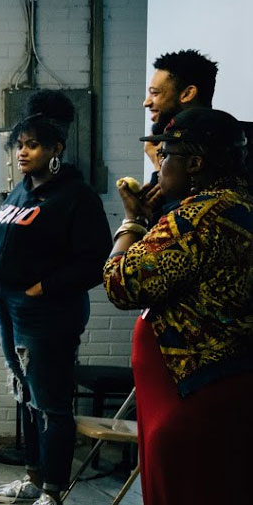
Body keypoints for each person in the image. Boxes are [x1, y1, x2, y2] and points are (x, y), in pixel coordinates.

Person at [104, 108, 253, 505]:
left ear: (195, 163)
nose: (160, 163)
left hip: (191, 392)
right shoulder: (239, 205)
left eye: (166, 155)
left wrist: (132, 223)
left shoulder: (195, 217)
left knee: (184, 489)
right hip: (228, 383)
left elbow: (121, 284)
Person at [0, 91, 111, 505]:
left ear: (56, 148)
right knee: (27, 397)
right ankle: (33, 479)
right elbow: (4, 238)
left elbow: (95, 262)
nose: (22, 153)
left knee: (51, 403)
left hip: (46, 312)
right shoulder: (22, 191)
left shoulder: (76, 196)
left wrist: (43, 288)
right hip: (9, 305)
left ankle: (52, 492)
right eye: (20, 145)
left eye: (32, 145)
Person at [144, 49, 220, 213]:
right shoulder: (225, 138)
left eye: (155, 93)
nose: (146, 102)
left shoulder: (221, 152)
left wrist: (133, 220)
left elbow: (168, 231)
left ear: (187, 94)